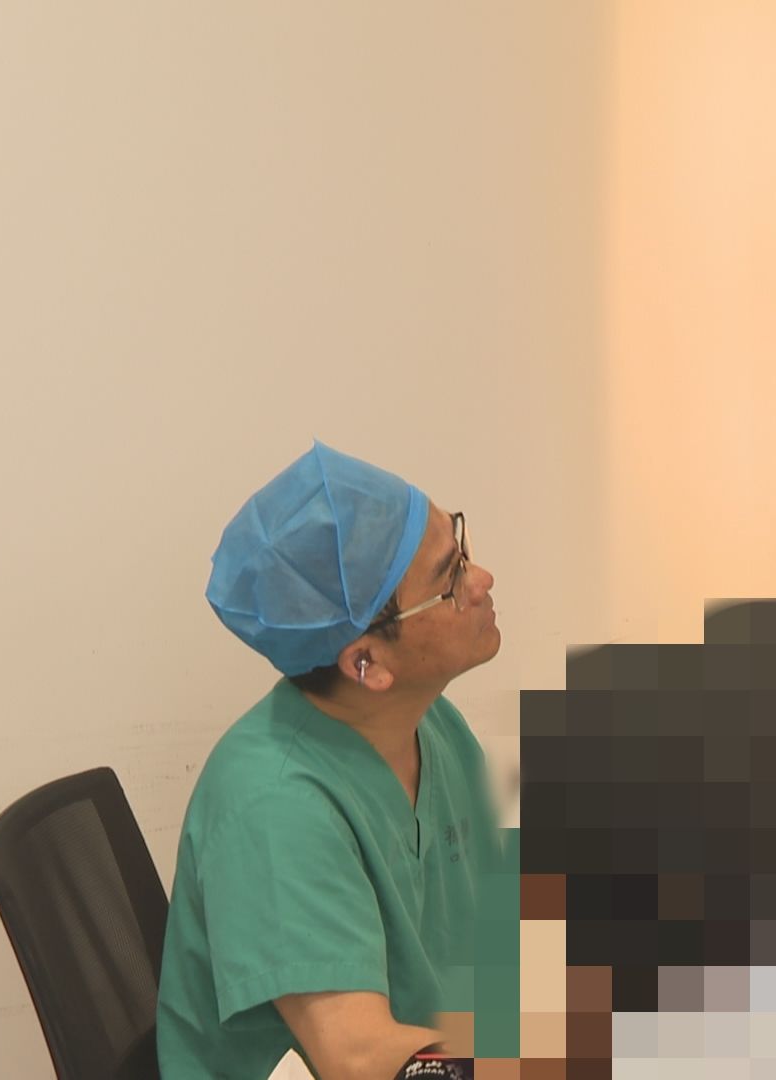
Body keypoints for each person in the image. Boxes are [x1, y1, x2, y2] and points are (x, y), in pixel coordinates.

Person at [158, 442, 501, 1080]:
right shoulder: (276, 804)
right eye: (450, 579)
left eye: (461, 548)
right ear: (365, 662)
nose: (481, 581)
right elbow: (357, 1055)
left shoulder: (431, 724)